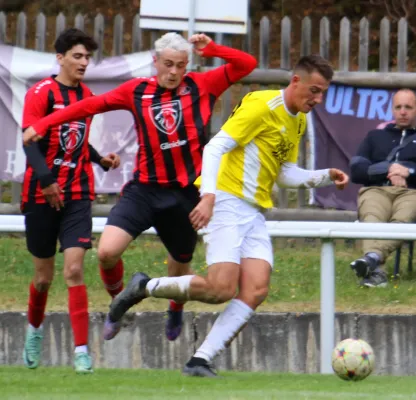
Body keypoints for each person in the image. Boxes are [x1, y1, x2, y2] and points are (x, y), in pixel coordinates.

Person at [106, 55, 349, 377]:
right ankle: (144, 287)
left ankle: (200, 360)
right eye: (314, 91)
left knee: (256, 289)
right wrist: (209, 197)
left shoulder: (298, 120)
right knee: (220, 290)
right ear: (295, 81)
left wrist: (324, 176)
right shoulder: (262, 106)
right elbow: (215, 147)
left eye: (322, 94)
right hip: (228, 202)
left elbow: (285, 172)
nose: (317, 99)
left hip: (253, 211)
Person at [22, 32, 257, 342]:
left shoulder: (202, 85)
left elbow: (247, 63)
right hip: (144, 190)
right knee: (106, 252)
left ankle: (175, 308)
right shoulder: (136, 91)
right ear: (155, 62)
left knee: (181, 270)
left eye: (181, 66)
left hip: (186, 193)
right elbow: (90, 106)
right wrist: (44, 124)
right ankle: (120, 300)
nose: (174, 72)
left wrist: (212, 49)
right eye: (168, 64)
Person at [21, 28, 121, 374]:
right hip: (40, 193)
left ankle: (81, 353)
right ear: (60, 58)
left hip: (78, 192)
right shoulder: (41, 93)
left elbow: (75, 141)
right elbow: (29, 141)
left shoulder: (87, 95)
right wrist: (47, 181)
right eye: (77, 56)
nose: (83, 63)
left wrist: (99, 160)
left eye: (87, 57)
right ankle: (34, 330)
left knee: (75, 269)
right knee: (44, 278)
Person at [349, 89, 416, 287]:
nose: (402, 112)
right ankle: (375, 269)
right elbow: (357, 170)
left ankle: (372, 260)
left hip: (414, 192)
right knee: (372, 220)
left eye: (408, 107)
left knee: (402, 219)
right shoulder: (375, 136)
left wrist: (410, 172)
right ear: (392, 110)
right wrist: (389, 169)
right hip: (377, 190)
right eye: (398, 107)